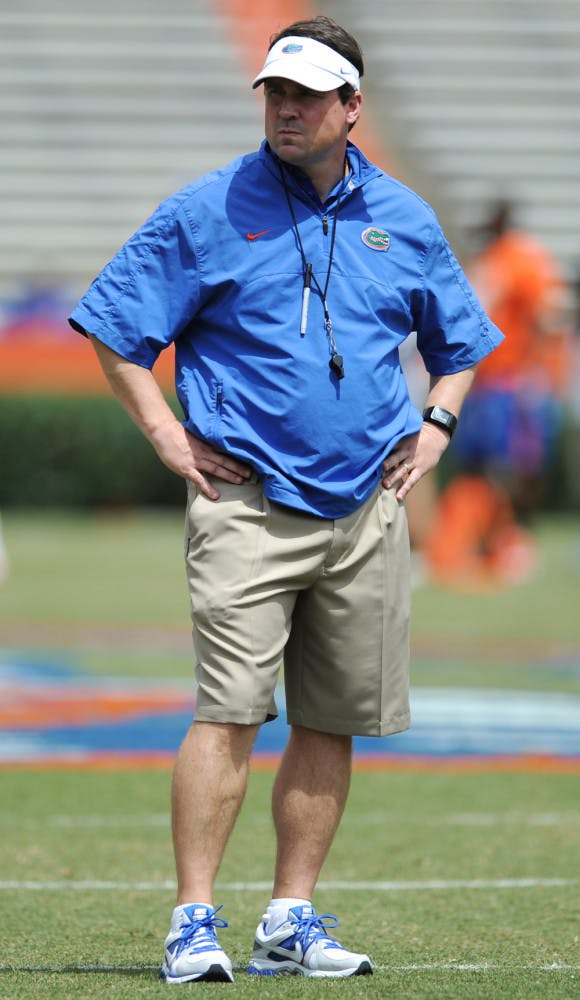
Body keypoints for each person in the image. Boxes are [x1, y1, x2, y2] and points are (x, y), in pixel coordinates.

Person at [68, 16, 503, 983]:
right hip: (249, 503)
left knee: (330, 718)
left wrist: (437, 425)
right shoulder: (208, 207)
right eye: (275, 92)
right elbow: (113, 325)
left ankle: (289, 916)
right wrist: (165, 433)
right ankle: (192, 921)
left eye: (307, 95)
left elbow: (462, 342)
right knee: (227, 711)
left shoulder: (404, 215)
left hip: (366, 509)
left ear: (354, 107)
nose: (286, 109)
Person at [425, 200, 570, 587]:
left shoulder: (522, 258)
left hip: (510, 380)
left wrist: (539, 371)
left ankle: (510, 539)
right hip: (482, 380)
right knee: (480, 465)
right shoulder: (494, 259)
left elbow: (549, 315)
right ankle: (485, 541)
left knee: (509, 466)